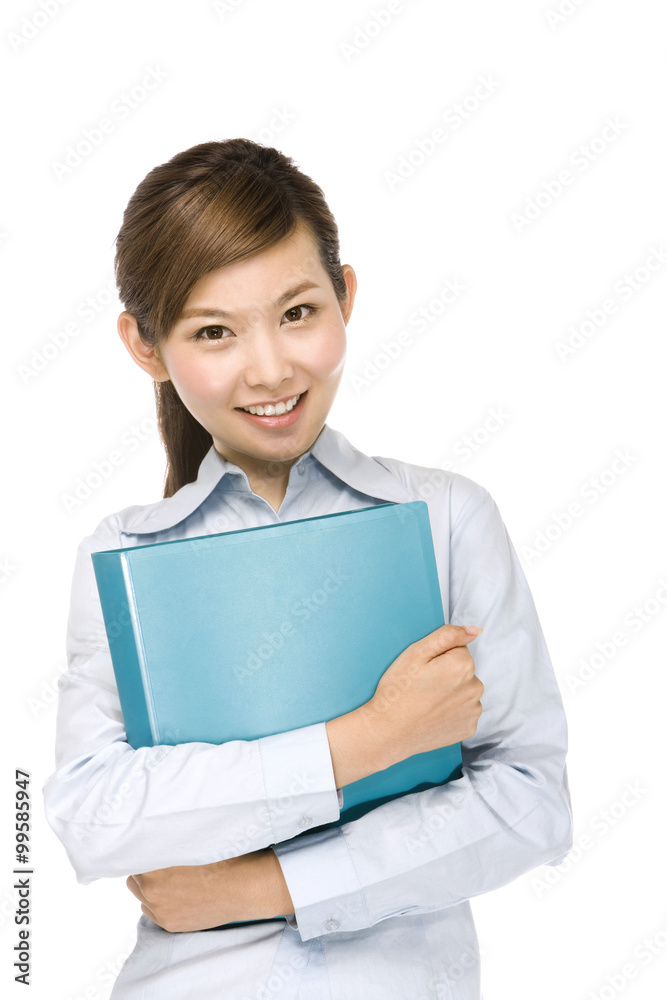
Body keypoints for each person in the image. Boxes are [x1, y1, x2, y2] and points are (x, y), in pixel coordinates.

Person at [43, 138, 573, 999]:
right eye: (213, 332)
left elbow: (528, 804)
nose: (271, 369)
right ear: (145, 346)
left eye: (297, 313)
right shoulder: (125, 555)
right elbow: (94, 817)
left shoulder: (442, 519)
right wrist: (368, 739)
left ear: (345, 297)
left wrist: (258, 887)